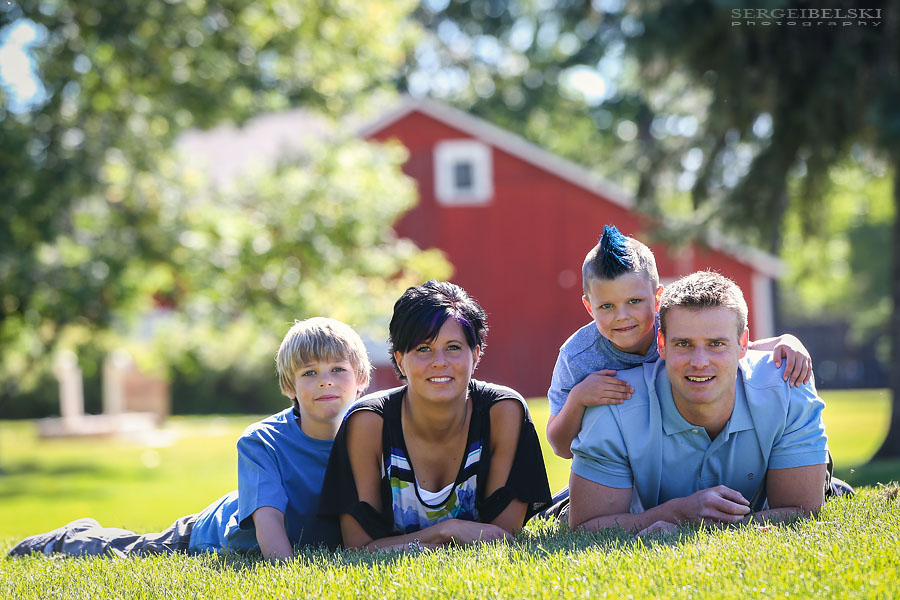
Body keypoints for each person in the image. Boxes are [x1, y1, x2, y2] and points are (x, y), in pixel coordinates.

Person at [8, 317, 371, 559]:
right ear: (289, 385)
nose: (326, 380)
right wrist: (291, 579)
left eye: (338, 369)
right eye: (310, 372)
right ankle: (66, 539)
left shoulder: (374, 434)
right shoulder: (263, 440)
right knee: (135, 550)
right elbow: (270, 527)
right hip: (212, 535)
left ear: (361, 381)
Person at [568, 271, 834, 535]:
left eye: (716, 344)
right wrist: (675, 513)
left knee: (835, 490)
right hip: (634, 501)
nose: (699, 362)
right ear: (661, 345)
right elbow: (585, 527)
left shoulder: (787, 386)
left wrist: (715, 527)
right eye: (683, 344)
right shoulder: (614, 402)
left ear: (743, 344)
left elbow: (803, 511)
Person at [319, 280, 552, 551]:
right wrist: (446, 531)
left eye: (453, 347)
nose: (439, 361)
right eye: (423, 349)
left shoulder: (503, 412)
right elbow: (358, 547)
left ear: (476, 355)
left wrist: (409, 544)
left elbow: (499, 536)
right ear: (400, 359)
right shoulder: (369, 423)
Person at [546, 225, 814, 459]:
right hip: (618, 461)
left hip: (675, 453)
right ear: (589, 307)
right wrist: (578, 400)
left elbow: (730, 349)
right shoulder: (577, 357)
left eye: (634, 301)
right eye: (606, 306)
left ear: (657, 296)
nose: (622, 316)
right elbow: (561, 447)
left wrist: (786, 341)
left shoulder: (676, 328)